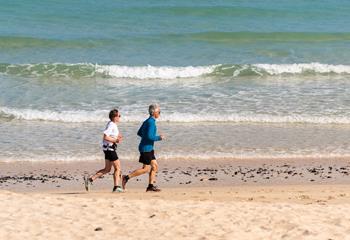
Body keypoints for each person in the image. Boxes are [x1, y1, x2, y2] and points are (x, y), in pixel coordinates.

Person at [122, 104, 165, 192]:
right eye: (159, 112)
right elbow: (150, 136)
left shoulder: (147, 121)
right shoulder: (151, 123)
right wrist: (159, 138)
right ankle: (126, 178)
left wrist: (146, 138)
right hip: (146, 149)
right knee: (146, 169)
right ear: (154, 113)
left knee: (155, 166)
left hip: (148, 148)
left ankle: (150, 186)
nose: (159, 114)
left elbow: (139, 133)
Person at [84, 109, 123, 192]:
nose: (120, 117)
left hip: (107, 149)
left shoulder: (111, 124)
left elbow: (110, 136)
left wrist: (117, 137)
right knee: (118, 168)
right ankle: (116, 187)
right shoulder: (111, 125)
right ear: (115, 117)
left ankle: (90, 180)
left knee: (107, 169)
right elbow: (105, 137)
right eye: (119, 116)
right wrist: (115, 140)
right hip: (110, 149)